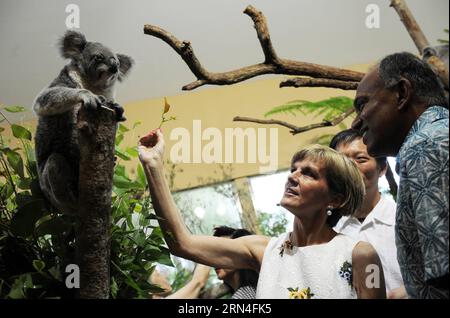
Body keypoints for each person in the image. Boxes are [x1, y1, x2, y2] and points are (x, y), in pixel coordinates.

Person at [138, 130, 386, 299]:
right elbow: (181, 243)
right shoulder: (263, 251)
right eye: (293, 169)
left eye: (309, 173)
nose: (293, 176)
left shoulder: (361, 255)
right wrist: (153, 165)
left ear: (335, 198)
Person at [351, 52, 449, 299]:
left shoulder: (424, 146)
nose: (355, 122)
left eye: (363, 104)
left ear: (402, 93)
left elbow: (444, 274)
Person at [330, 129, 406, 298]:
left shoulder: (405, 220)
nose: (350, 167)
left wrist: (408, 291)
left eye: (361, 159)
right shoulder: (328, 231)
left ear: (383, 168)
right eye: (341, 161)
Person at [212, 226, 258, 299]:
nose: (214, 259)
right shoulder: (255, 291)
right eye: (214, 253)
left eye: (222, 251)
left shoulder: (246, 295)